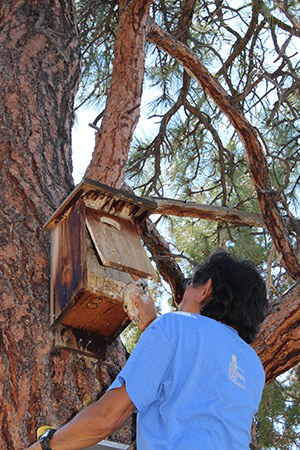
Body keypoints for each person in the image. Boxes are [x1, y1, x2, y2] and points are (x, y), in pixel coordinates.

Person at [23, 251, 268, 450]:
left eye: (189, 285)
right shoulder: (254, 367)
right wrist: (153, 326)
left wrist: (44, 447)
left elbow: (107, 417)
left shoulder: (175, 326)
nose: (183, 295)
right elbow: (196, 391)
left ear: (206, 289)